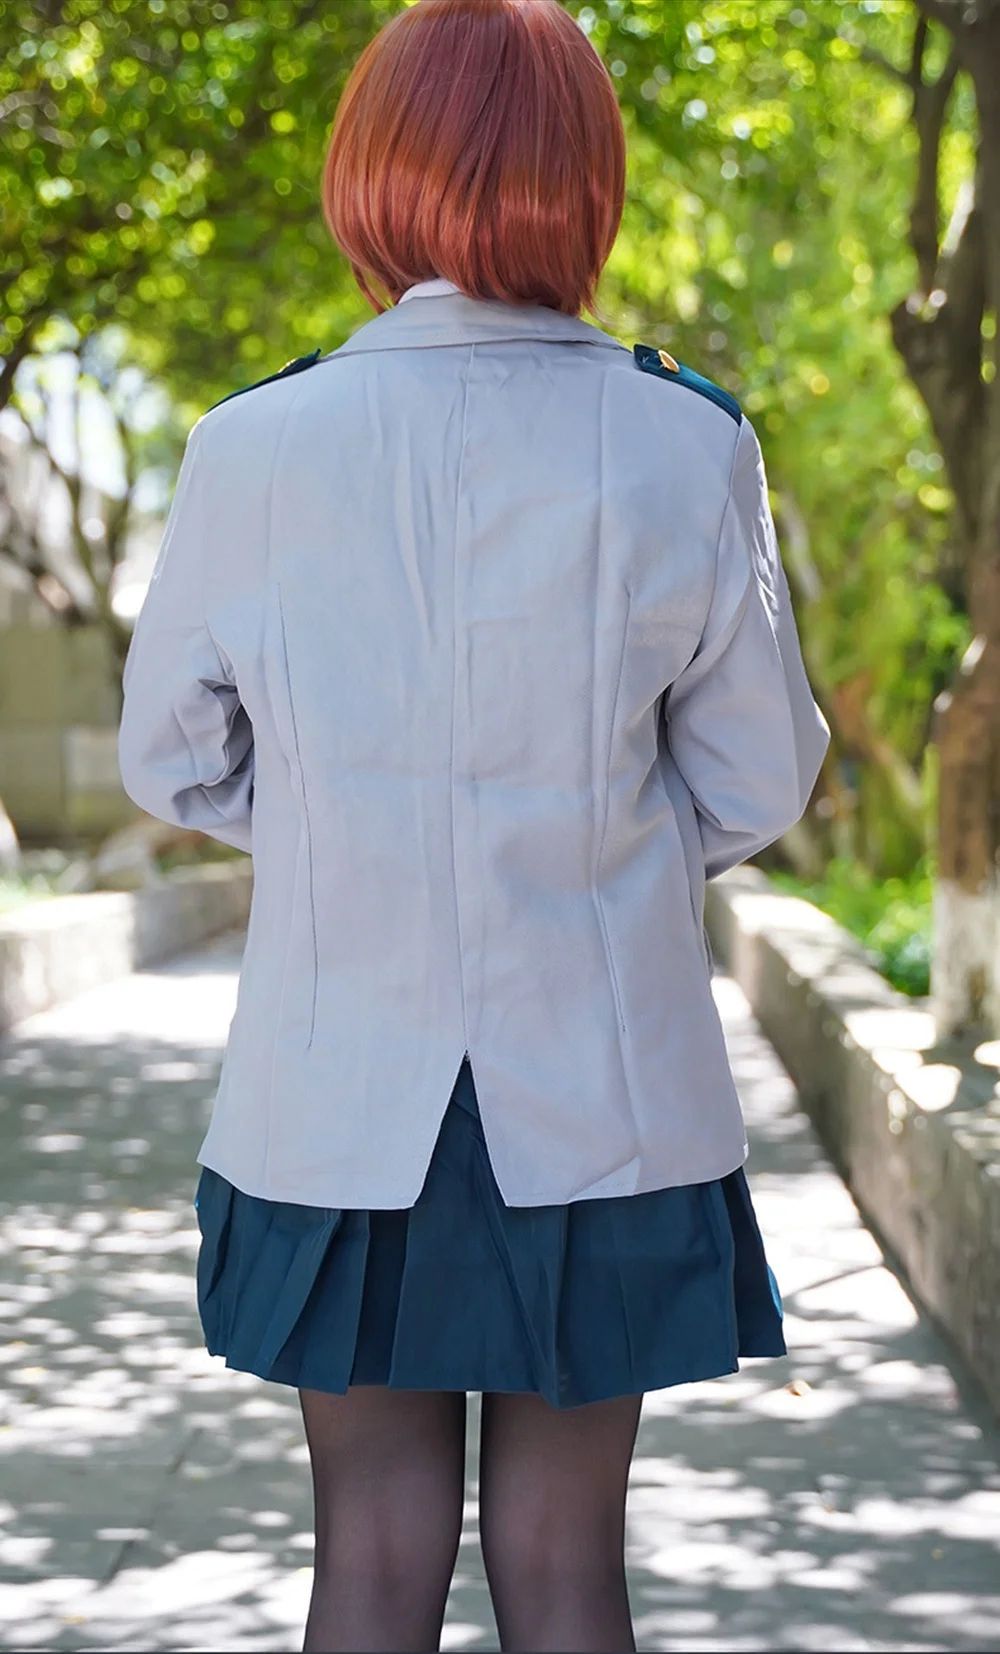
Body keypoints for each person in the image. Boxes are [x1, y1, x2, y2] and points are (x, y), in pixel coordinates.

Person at [117, 1, 830, 1649]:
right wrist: (600, 844)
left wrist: (336, 825)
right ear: (587, 179)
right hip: (603, 1096)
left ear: (371, 169)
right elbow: (756, 782)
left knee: (367, 1556)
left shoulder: (250, 445)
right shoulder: (688, 441)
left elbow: (172, 760)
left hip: (333, 1094)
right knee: (570, 1563)